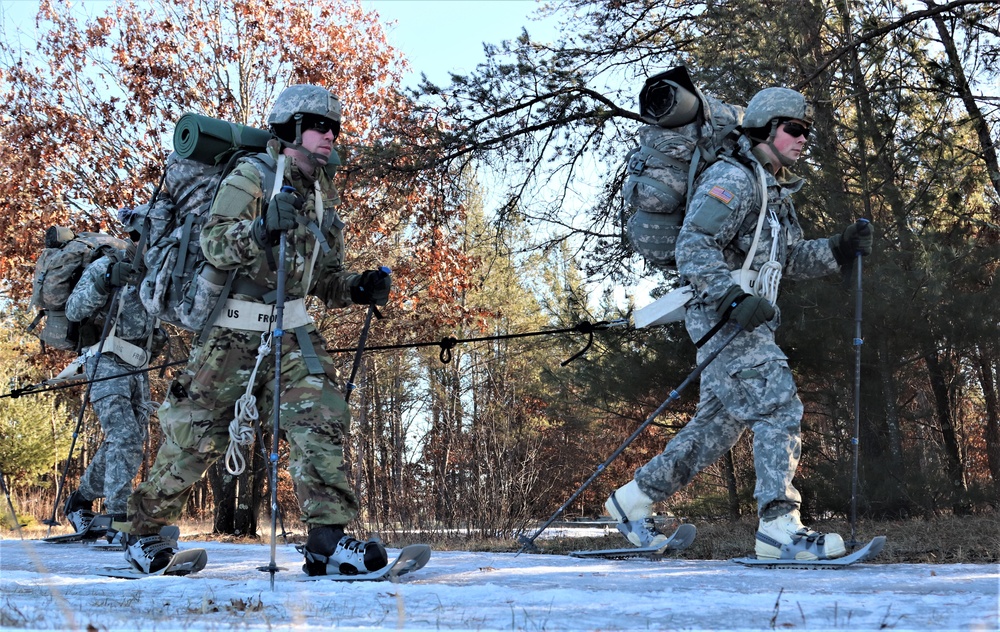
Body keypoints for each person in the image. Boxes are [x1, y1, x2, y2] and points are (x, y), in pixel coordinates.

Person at [120, 84, 392, 576]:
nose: (330, 135)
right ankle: (141, 535)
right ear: (290, 128)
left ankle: (327, 541)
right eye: (318, 125)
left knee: (321, 419)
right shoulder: (252, 176)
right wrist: (261, 228)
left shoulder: (323, 199)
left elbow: (322, 280)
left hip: (292, 334)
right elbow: (215, 245)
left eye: (334, 126)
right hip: (231, 335)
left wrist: (357, 287)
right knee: (194, 439)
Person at [605, 87, 874, 560]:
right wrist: (729, 299)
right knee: (776, 404)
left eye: (807, 130)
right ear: (765, 130)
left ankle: (633, 501)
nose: (803, 138)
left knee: (714, 429)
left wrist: (839, 247)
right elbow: (694, 242)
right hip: (723, 316)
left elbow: (787, 259)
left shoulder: (774, 190)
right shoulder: (734, 177)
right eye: (794, 129)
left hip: (747, 318)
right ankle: (778, 529)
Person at [62, 209, 162, 546]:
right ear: (137, 236)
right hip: (104, 360)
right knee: (125, 437)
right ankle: (120, 518)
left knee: (129, 445)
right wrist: (105, 283)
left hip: (138, 366)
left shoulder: (157, 273)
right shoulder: (107, 266)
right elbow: (74, 310)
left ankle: (80, 499)